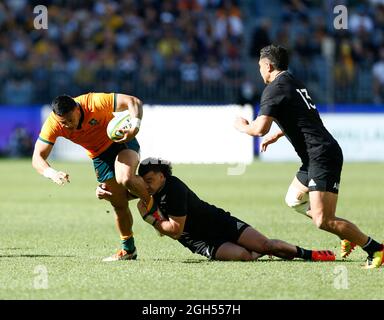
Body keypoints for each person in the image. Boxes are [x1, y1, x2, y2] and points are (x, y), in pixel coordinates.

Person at [234, 45, 383, 269]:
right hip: (314, 156)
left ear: (269, 65)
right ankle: (345, 234)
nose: (259, 71)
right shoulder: (293, 82)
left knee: (323, 220)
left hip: (322, 155)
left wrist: (242, 126)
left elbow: (258, 129)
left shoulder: (274, 89)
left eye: (260, 67)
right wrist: (279, 134)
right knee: (294, 199)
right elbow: (303, 117)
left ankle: (376, 249)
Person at [102, 157, 336, 262]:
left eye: (150, 179)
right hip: (201, 241)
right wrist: (101, 192)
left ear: (162, 176)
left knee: (268, 246)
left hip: (220, 222)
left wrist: (151, 219)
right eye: (143, 181)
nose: (145, 184)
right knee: (245, 256)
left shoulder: (173, 188)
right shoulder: (147, 192)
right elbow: (120, 193)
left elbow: (173, 230)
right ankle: (259, 251)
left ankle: (312, 254)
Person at [32, 93, 158, 261]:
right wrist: (51, 173)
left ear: (77, 109)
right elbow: (37, 157)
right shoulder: (53, 124)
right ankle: (129, 250)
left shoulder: (93, 102)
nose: (68, 125)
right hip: (99, 156)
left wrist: (135, 125)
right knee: (117, 202)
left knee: (125, 179)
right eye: (64, 122)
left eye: (70, 119)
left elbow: (133, 101)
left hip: (120, 142)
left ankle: (155, 211)